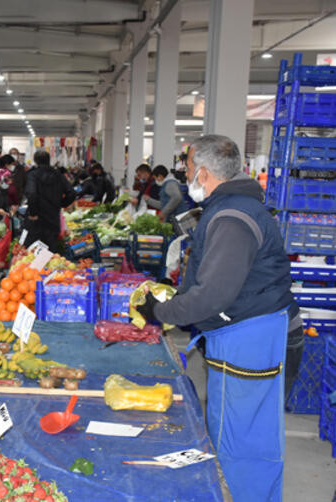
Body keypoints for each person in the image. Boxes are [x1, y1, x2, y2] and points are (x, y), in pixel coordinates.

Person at [135, 134, 300, 502]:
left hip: (252, 340)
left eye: (189, 168)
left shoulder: (232, 218)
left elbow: (213, 295)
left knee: (242, 442)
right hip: (246, 333)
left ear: (205, 173)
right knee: (237, 432)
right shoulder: (233, 207)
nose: (186, 174)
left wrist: (160, 312)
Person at [23, 151, 76, 251]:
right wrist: (61, 204)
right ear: (49, 160)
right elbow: (72, 193)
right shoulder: (58, 175)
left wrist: (33, 213)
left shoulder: (33, 175)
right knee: (50, 251)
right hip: (53, 218)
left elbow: (31, 194)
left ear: (35, 161)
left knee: (33, 251)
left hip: (37, 220)